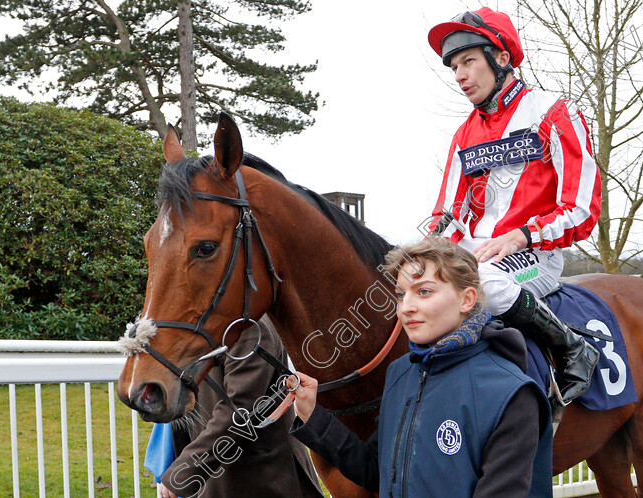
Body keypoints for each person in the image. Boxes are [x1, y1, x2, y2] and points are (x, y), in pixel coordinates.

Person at [426, 8, 601, 404]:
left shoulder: (556, 113)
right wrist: (426, 251)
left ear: (501, 59)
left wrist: (522, 235)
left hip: (537, 253)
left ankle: (573, 347)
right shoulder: (464, 133)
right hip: (477, 249)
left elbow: (583, 210)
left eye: (468, 60)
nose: (459, 75)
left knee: (483, 283)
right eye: (454, 66)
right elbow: (447, 215)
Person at [290, 239, 553, 497]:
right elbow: (374, 470)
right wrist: (312, 415)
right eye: (401, 295)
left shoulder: (512, 393)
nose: (406, 308)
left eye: (424, 291)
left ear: (467, 299)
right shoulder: (400, 373)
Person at [146, 317, 323, 498]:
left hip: (263, 479)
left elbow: (239, 409)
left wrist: (184, 472)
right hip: (217, 473)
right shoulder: (197, 322)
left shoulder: (251, 326)